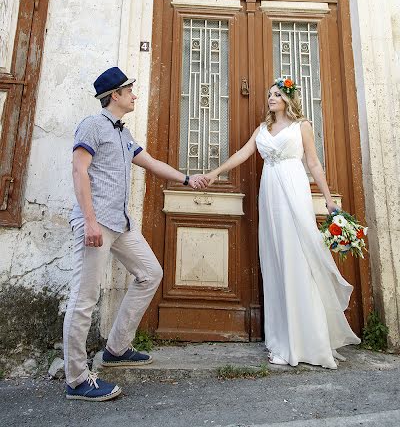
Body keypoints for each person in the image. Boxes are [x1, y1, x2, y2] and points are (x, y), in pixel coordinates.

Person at [63, 67, 208, 401]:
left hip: (120, 223)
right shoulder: (93, 125)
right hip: (96, 224)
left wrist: (188, 179)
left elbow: (152, 163)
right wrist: (89, 221)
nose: (134, 95)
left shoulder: (123, 134)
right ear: (115, 94)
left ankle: (116, 347)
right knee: (84, 299)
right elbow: (78, 170)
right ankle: (75, 379)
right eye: (130, 90)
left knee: (150, 273)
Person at [206, 77, 360, 369]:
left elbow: (313, 163)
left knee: (298, 258)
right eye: (269, 95)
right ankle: (282, 339)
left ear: (289, 98)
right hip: (270, 193)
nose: (271, 98)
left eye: (277, 94)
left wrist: (329, 201)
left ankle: (307, 341)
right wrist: (216, 173)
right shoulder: (262, 129)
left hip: (294, 189)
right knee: (276, 260)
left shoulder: (302, 126)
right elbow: (243, 153)